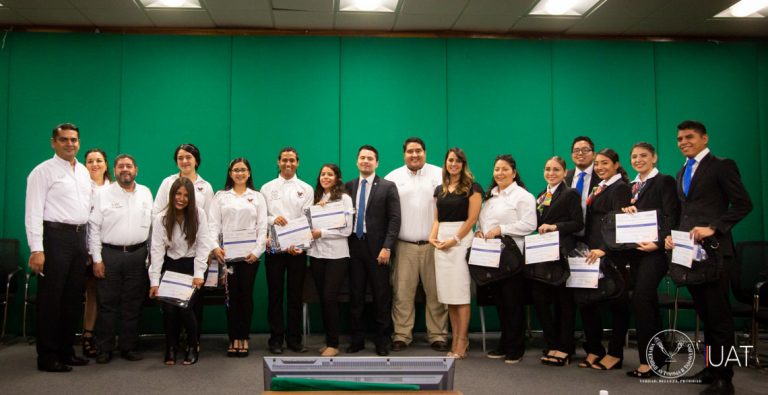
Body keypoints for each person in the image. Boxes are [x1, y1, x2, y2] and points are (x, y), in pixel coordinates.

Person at [666, 121, 752, 395]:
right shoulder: (682, 172)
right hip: (690, 254)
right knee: (705, 314)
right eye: (679, 138)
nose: (683, 142)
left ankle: (725, 379)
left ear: (704, 138)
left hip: (716, 253)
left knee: (720, 318)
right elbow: (686, 213)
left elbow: (743, 204)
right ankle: (711, 369)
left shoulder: (722, 165)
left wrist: (714, 227)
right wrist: (673, 236)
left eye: (689, 137)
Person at [25, 123, 92, 372]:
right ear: (53, 142)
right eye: (63, 140)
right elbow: (33, 212)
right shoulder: (42, 172)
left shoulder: (84, 172)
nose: (70, 144)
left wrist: (86, 247)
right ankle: (47, 356)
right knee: (51, 300)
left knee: (73, 299)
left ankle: (66, 351)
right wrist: (36, 249)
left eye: (74, 139)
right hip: (53, 239)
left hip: (78, 238)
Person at [618, 143, 680, 377]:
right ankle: (659, 357)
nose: (638, 159)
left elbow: (671, 214)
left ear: (654, 157)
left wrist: (659, 241)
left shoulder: (664, 181)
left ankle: (647, 362)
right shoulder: (632, 186)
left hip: (656, 252)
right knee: (648, 302)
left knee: (642, 299)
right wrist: (627, 211)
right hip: (636, 252)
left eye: (643, 155)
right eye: (634, 156)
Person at [385, 137, 448, 352]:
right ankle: (402, 335)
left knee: (437, 294)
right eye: (410, 151)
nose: (414, 155)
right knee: (402, 294)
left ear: (425, 152)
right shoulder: (393, 177)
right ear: (404, 154)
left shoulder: (441, 174)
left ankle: (438, 335)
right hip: (404, 246)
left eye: (419, 151)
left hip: (435, 245)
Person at [88, 154, 152, 363]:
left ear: (136, 170)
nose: (125, 169)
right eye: (121, 166)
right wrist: (97, 259)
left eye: (129, 166)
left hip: (138, 255)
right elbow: (94, 228)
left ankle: (128, 346)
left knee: (132, 304)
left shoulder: (145, 193)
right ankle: (104, 348)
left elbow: (152, 227)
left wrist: (150, 257)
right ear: (114, 170)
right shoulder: (103, 194)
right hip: (110, 255)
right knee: (107, 304)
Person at [476, 154, 537, 364]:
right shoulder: (489, 197)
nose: (499, 173)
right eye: (496, 169)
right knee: (501, 303)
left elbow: (530, 225)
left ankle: (516, 348)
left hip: (512, 258)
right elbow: (483, 222)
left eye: (504, 169)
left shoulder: (523, 196)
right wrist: (478, 231)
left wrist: (502, 229)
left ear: (514, 172)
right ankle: (504, 343)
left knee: (513, 304)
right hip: (491, 257)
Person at [148, 177, 214, 366]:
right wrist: (154, 282)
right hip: (171, 266)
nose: (181, 198)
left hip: (193, 266)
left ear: (191, 197)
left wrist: (199, 274)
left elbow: (203, 246)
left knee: (185, 307)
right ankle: (170, 347)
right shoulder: (161, 218)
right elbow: (157, 251)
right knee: (169, 308)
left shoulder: (199, 214)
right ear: (172, 195)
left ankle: (193, 347)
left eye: (186, 195)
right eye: (178, 194)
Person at [579, 148, 632, 371]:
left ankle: (615, 353)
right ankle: (594, 349)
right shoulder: (600, 186)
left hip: (611, 254)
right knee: (588, 301)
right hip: (591, 251)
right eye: (598, 164)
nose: (600, 167)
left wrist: (604, 249)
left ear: (617, 165)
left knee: (617, 304)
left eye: (605, 163)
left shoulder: (620, 188)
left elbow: (619, 223)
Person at [209, 158, 268, 357]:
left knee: (246, 296)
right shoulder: (220, 196)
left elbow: (262, 227)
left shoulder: (258, 197)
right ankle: (233, 337)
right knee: (231, 297)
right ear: (230, 173)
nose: (240, 173)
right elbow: (213, 226)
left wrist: (257, 251)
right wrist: (215, 248)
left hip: (250, 256)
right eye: (236, 170)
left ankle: (244, 337)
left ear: (249, 173)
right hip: (228, 256)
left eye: (243, 170)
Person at [346, 145, 401, 356]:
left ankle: (382, 341)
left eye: (370, 158)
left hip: (379, 249)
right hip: (354, 247)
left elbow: (395, 219)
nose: (366, 161)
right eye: (362, 158)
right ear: (357, 161)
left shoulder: (388, 186)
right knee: (356, 296)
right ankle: (357, 340)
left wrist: (387, 247)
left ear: (377, 163)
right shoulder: (348, 186)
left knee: (381, 297)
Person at [429, 148, 482, 359]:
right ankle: (455, 337)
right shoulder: (439, 189)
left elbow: (471, 220)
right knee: (449, 296)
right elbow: (436, 219)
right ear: (445, 163)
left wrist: (454, 240)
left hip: (461, 241)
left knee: (460, 295)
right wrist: (433, 238)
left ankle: (462, 340)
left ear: (464, 164)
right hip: (441, 242)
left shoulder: (473, 187)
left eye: (458, 161)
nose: (454, 164)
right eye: (451, 160)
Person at [260, 147, 314, 354]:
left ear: (298, 162)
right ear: (278, 162)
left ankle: (294, 339)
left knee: (295, 295)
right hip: (274, 249)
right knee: (275, 295)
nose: (288, 164)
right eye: (284, 160)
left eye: (292, 160)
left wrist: (298, 245)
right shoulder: (267, 188)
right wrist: (273, 219)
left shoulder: (306, 188)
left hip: (297, 252)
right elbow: (261, 217)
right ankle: (275, 339)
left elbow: (307, 220)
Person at [531, 156, 583, 367]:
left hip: (562, 254)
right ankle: (552, 343)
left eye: (556, 169)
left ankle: (565, 348)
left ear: (564, 172)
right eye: (547, 169)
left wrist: (555, 227)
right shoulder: (542, 195)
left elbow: (578, 223)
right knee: (541, 300)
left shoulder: (570, 193)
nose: (551, 173)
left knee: (564, 303)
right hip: (543, 256)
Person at [307, 164, 353, 357]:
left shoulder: (344, 199)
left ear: (337, 178)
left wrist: (321, 233)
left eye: (330, 174)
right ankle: (328, 342)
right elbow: (307, 227)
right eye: (322, 174)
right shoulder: (315, 199)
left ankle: (334, 344)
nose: (325, 177)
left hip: (337, 256)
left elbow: (347, 230)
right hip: (316, 255)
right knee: (323, 300)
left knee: (329, 297)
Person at [81, 148, 113, 359]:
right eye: (90, 161)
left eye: (99, 160)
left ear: (106, 164)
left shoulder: (115, 188)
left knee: (107, 297)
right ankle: (87, 336)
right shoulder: (80, 187)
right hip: (83, 249)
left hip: (109, 249)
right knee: (90, 294)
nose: (95, 164)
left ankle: (105, 338)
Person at [565, 136, 600, 233]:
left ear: (593, 154)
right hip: (568, 237)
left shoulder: (602, 178)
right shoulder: (564, 178)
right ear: (572, 155)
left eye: (585, 150)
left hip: (595, 236)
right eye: (576, 150)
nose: (580, 153)